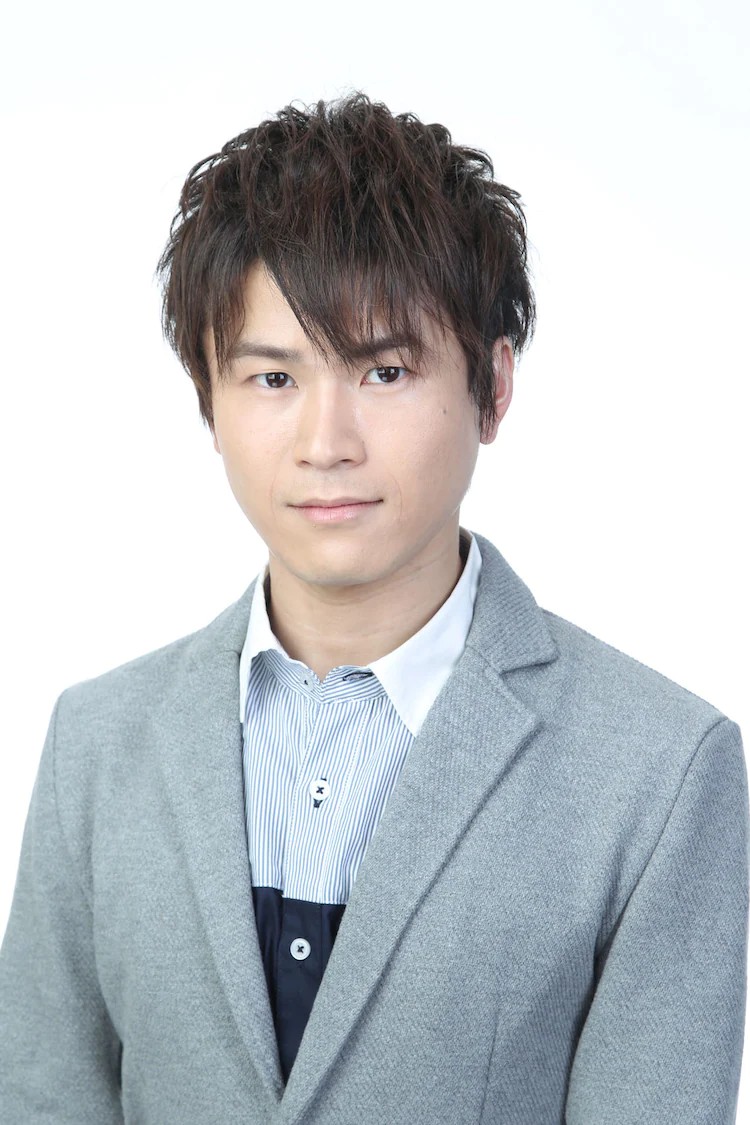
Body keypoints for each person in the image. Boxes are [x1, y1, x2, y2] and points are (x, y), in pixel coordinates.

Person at [0, 92, 747, 1125]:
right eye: (272, 377)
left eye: (385, 370)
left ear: (493, 387)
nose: (326, 442)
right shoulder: (97, 741)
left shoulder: (659, 771)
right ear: (207, 397)